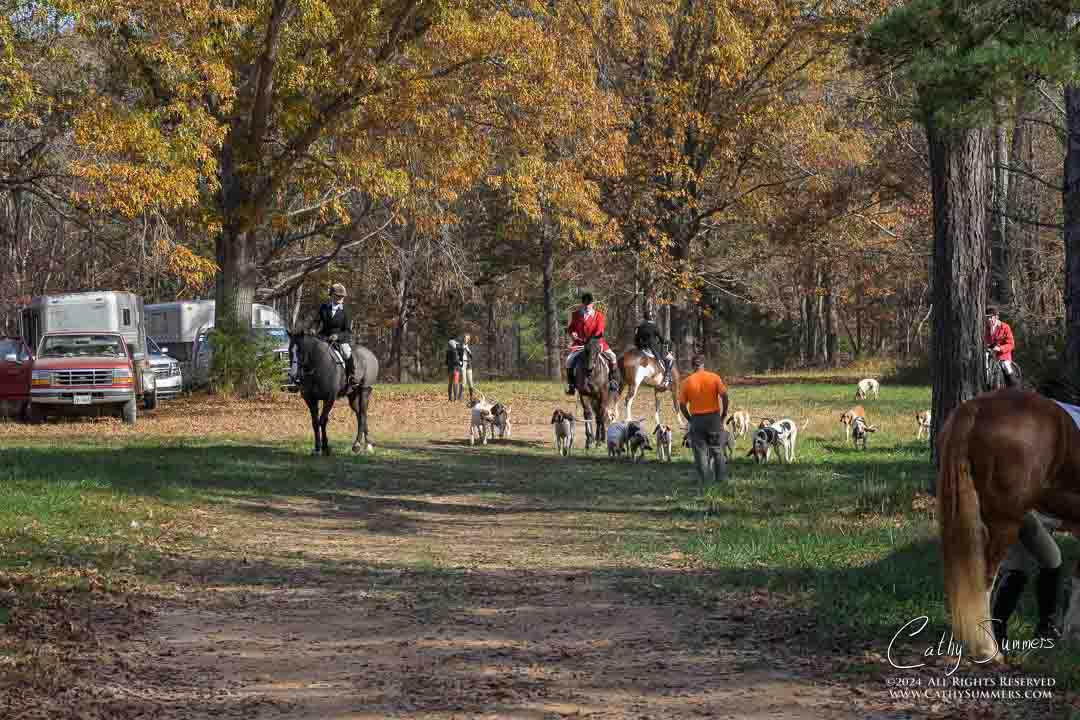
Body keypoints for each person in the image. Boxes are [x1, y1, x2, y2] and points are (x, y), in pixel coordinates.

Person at [990, 511, 1066, 653]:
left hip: (1026, 512)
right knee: (1050, 559)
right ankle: (1045, 627)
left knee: (1018, 566)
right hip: (1024, 510)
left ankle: (997, 632)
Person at [677, 355, 730, 484]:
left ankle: (705, 482)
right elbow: (724, 396)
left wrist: (690, 419)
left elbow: (682, 405)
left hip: (697, 419)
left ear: (692, 366)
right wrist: (724, 413)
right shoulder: (714, 377)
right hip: (713, 418)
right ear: (703, 365)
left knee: (700, 452)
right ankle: (721, 480)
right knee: (717, 450)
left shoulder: (687, 382)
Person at [290, 283, 356, 387]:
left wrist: (337, 336)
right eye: (338, 296)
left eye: (342, 296)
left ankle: (351, 376)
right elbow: (317, 321)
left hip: (340, 339)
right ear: (332, 295)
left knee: (347, 353)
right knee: (309, 350)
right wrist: (313, 329)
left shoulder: (346, 311)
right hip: (323, 336)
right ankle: (303, 376)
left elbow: (347, 330)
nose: (340, 298)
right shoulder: (324, 307)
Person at [565, 292, 618, 395]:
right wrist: (573, 333)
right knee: (568, 361)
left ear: (592, 304)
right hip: (580, 343)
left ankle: (613, 381)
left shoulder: (599, 315)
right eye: (585, 304)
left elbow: (599, 330)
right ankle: (571, 385)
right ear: (582, 304)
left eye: (589, 304)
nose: (587, 306)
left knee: (613, 356)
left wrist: (591, 341)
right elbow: (571, 327)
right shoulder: (576, 314)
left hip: (596, 342)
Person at [634, 317, 675, 388]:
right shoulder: (654, 326)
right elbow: (660, 338)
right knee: (670, 358)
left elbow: (636, 339)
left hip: (641, 348)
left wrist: (639, 347)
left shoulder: (639, 327)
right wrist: (665, 341)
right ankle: (667, 375)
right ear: (651, 319)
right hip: (652, 346)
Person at [985, 307, 1017, 388]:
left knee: (1006, 366)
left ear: (996, 317)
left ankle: (1013, 388)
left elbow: (1011, 344)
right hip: (990, 353)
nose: (988, 319)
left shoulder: (1005, 327)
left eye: (990, 317)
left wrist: (1000, 349)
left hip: (1003, 354)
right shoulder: (985, 328)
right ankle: (986, 384)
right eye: (987, 317)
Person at [460, 333, 475, 400]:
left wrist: (468, 350)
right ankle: (460, 396)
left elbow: (472, 356)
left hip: (468, 364)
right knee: (464, 381)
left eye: (467, 338)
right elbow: (457, 354)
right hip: (462, 363)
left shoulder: (470, 346)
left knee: (470, 381)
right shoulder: (460, 346)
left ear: (469, 340)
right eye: (465, 338)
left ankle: (471, 397)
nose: (465, 339)